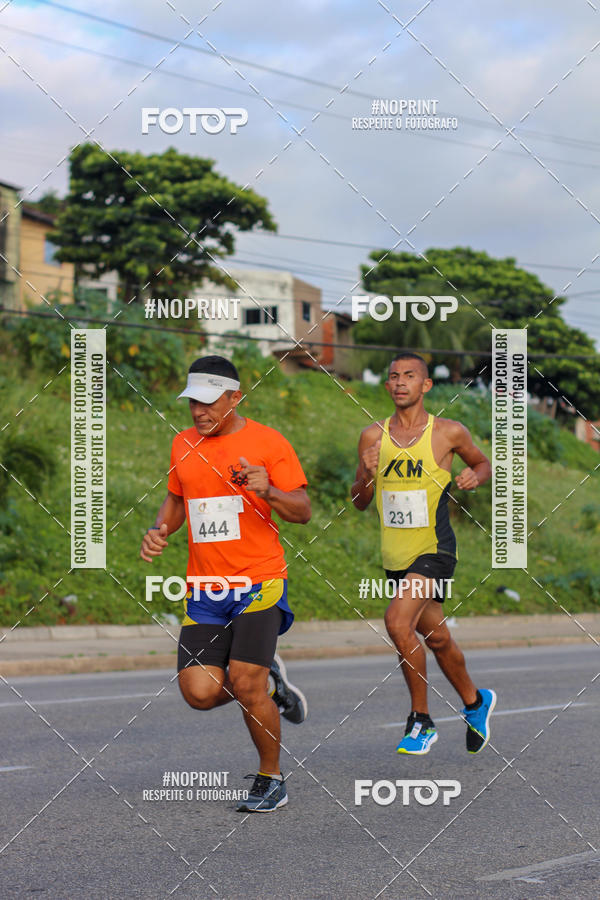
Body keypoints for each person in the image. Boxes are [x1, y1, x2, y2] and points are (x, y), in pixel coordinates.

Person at [140, 355, 311, 811]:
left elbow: (303, 509)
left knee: (243, 680)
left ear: (236, 397)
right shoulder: (183, 445)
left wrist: (268, 491)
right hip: (206, 590)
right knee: (199, 693)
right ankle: (272, 687)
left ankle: (271, 778)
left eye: (210, 401)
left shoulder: (268, 443)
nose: (200, 411)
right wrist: (161, 529)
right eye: (193, 402)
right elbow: (178, 498)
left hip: (260, 583)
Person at [352, 352, 496, 755]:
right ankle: (474, 701)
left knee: (398, 623)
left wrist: (474, 475)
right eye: (393, 376)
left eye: (409, 376)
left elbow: (483, 463)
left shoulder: (448, 432)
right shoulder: (372, 437)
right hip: (395, 555)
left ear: (425, 385)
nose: (400, 382)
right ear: (387, 386)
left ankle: (421, 719)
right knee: (436, 637)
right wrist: (366, 473)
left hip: (435, 549)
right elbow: (360, 502)